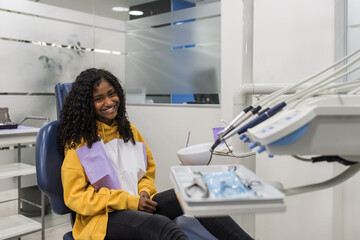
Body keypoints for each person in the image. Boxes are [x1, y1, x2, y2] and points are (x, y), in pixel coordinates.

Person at [58, 68, 254, 240]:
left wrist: (144, 191)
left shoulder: (130, 131)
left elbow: (146, 173)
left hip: (139, 202)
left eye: (112, 94)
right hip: (103, 218)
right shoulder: (80, 142)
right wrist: (129, 201)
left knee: (196, 193)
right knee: (161, 226)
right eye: (99, 98)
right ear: (87, 104)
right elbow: (75, 196)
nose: (109, 102)